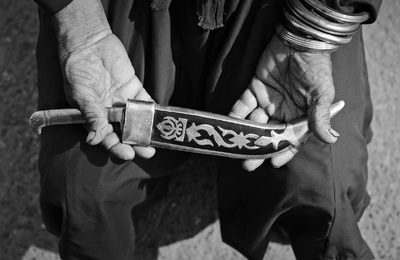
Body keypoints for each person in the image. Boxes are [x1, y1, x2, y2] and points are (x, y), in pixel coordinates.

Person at [33, 0, 382, 259]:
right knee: (81, 183)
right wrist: (80, 28)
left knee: (324, 181)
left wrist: (310, 32)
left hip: (286, 10)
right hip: (121, 11)